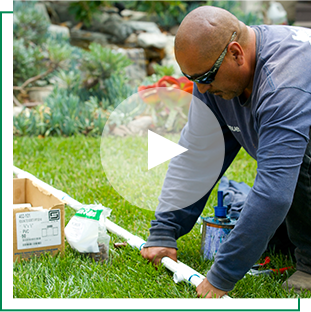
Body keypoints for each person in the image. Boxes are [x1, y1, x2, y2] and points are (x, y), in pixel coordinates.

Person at [140, 6, 311, 299]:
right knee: (270, 234)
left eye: (206, 76)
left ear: (236, 53)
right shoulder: (216, 79)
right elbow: (197, 156)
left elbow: (274, 193)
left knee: (295, 166)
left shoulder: (285, 83)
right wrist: (165, 230)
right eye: (193, 78)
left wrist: (222, 276)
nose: (202, 89)